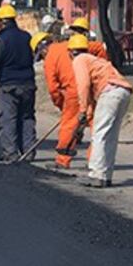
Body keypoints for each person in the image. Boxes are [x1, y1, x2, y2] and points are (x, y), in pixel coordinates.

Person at [69, 33, 133, 187]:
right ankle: (106, 175)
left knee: (99, 134)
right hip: (123, 92)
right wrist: (85, 115)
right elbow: (91, 95)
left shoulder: (79, 60)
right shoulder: (94, 60)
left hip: (109, 92)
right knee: (111, 136)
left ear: (70, 52)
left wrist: (82, 111)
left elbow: (83, 86)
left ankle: (96, 174)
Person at [0, 3, 36, 163]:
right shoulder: (26, 37)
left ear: (1, 22)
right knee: (27, 118)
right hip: (28, 84)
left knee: (8, 119)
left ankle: (10, 153)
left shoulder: (1, 40)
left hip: (8, 85)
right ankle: (29, 152)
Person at [32, 31, 86, 169]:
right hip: (91, 88)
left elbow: (53, 88)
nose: (43, 59)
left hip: (74, 93)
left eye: (41, 56)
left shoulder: (50, 57)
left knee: (68, 127)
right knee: (97, 128)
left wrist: (61, 104)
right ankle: (96, 162)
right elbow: (96, 47)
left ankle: (62, 160)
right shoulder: (68, 45)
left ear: (42, 49)